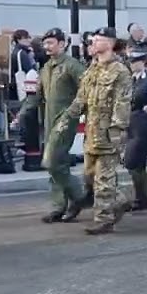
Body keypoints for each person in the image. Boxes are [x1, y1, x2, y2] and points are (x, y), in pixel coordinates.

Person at [55, 27, 132, 235]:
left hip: (108, 134)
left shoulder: (120, 71)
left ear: (110, 43)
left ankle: (104, 220)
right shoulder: (92, 69)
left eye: (97, 40)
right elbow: (81, 98)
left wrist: (117, 133)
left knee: (103, 180)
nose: (93, 44)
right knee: (89, 178)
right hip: (92, 133)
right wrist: (66, 118)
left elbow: (122, 104)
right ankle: (120, 200)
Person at [10, 28, 86, 223]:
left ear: (63, 44)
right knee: (56, 165)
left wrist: (81, 113)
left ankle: (80, 197)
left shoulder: (72, 65)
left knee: (51, 162)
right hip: (49, 122)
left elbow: (86, 90)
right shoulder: (45, 69)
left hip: (66, 122)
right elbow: (34, 97)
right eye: (45, 43)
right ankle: (59, 206)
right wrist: (21, 115)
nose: (47, 47)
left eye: (51, 43)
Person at [124, 49, 147, 211]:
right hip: (130, 124)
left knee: (132, 161)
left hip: (143, 125)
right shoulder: (130, 80)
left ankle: (141, 198)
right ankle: (141, 198)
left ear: (143, 62)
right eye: (131, 62)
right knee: (137, 164)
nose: (133, 65)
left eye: (136, 62)